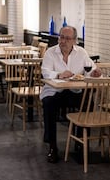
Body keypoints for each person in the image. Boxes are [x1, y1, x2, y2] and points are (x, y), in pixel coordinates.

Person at [40, 26, 101, 163]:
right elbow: (45, 72)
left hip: (74, 91)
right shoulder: (50, 53)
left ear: (74, 40)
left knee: (87, 103)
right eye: (61, 37)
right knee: (49, 104)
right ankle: (52, 147)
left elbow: (90, 69)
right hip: (54, 92)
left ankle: (80, 142)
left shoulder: (81, 53)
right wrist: (59, 74)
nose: (63, 41)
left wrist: (95, 73)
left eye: (67, 38)